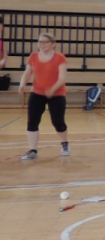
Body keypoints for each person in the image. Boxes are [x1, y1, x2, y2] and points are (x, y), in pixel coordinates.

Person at [18, 32, 70, 160]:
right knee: (32, 121)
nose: (42, 44)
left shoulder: (60, 58)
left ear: (53, 44)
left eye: (45, 42)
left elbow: (62, 77)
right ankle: (33, 150)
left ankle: (64, 143)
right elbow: (27, 72)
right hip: (37, 93)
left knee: (58, 122)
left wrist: (52, 89)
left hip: (57, 94)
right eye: (40, 42)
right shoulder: (33, 56)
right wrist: (22, 84)